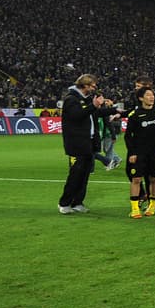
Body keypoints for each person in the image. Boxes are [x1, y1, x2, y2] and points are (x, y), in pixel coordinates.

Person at [58, 73, 115, 214]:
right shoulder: (71, 99)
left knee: (84, 175)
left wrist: (115, 111)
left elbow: (95, 114)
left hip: (88, 143)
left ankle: (77, 202)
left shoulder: (85, 99)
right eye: (93, 85)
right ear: (85, 85)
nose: (94, 88)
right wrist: (93, 106)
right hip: (77, 144)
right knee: (75, 175)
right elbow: (76, 116)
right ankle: (64, 203)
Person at [123, 86, 155, 218]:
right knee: (136, 179)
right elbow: (128, 136)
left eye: (152, 95)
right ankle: (135, 208)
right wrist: (132, 153)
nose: (151, 97)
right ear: (141, 98)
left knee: (154, 178)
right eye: (148, 95)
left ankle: (152, 205)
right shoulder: (135, 115)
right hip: (139, 153)